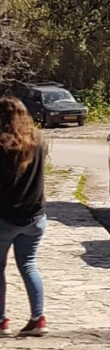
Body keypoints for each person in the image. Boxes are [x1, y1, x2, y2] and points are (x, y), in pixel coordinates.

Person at [0, 95, 48, 336]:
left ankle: (2, 321)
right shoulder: (38, 142)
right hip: (35, 217)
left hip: (5, 218)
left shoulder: (2, 145)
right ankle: (38, 319)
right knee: (28, 266)